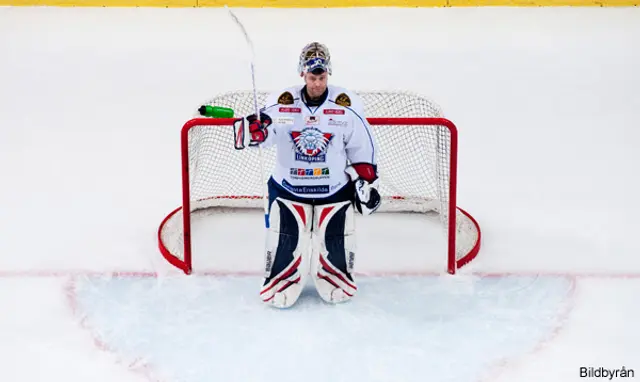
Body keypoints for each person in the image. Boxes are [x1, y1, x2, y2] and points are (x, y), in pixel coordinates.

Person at [235, 42, 381, 308]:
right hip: (289, 190)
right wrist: (257, 130)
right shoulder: (283, 103)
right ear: (302, 74)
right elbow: (264, 136)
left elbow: (362, 144)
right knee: (285, 240)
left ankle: (336, 277)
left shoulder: (345, 105)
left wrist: (366, 180)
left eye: (322, 77)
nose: (317, 83)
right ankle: (282, 280)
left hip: (334, 191)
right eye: (312, 77)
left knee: (335, 241)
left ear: (329, 75)